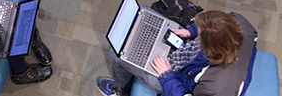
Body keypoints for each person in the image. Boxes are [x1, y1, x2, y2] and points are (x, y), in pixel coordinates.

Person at [97, 10, 257, 96]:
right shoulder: (239, 23)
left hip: (177, 82)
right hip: (197, 64)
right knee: (142, 13)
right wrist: (191, 31)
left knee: (117, 54)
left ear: (209, 49)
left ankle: (121, 92)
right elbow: (216, 23)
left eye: (199, 35)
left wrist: (167, 76)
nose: (197, 36)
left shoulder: (216, 89)